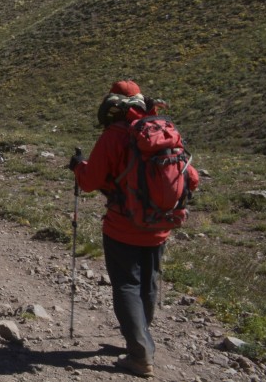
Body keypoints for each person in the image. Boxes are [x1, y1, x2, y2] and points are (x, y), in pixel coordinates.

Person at [69, 80, 200, 379]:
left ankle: (139, 353)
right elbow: (191, 178)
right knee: (148, 283)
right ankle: (140, 338)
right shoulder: (164, 131)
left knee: (126, 284)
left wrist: (78, 166)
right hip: (159, 224)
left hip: (122, 225)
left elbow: (89, 182)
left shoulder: (114, 136)